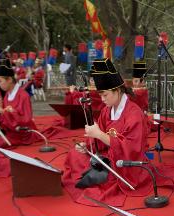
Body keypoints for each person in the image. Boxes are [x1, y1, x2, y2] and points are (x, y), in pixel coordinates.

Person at [62, 58, 152, 206]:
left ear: (117, 90)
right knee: (75, 154)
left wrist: (99, 134)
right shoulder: (106, 111)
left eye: (105, 95)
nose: (102, 99)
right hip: (108, 157)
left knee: (101, 178)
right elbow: (99, 141)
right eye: (101, 95)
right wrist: (88, 144)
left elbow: (132, 149)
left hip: (125, 165)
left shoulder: (134, 114)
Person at [0, 59, 40, 147]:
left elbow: (26, 120)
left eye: (0, 81)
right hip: (11, 132)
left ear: (9, 79)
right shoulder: (7, 95)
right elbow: (6, 121)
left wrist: (3, 111)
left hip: (23, 135)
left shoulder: (23, 96)